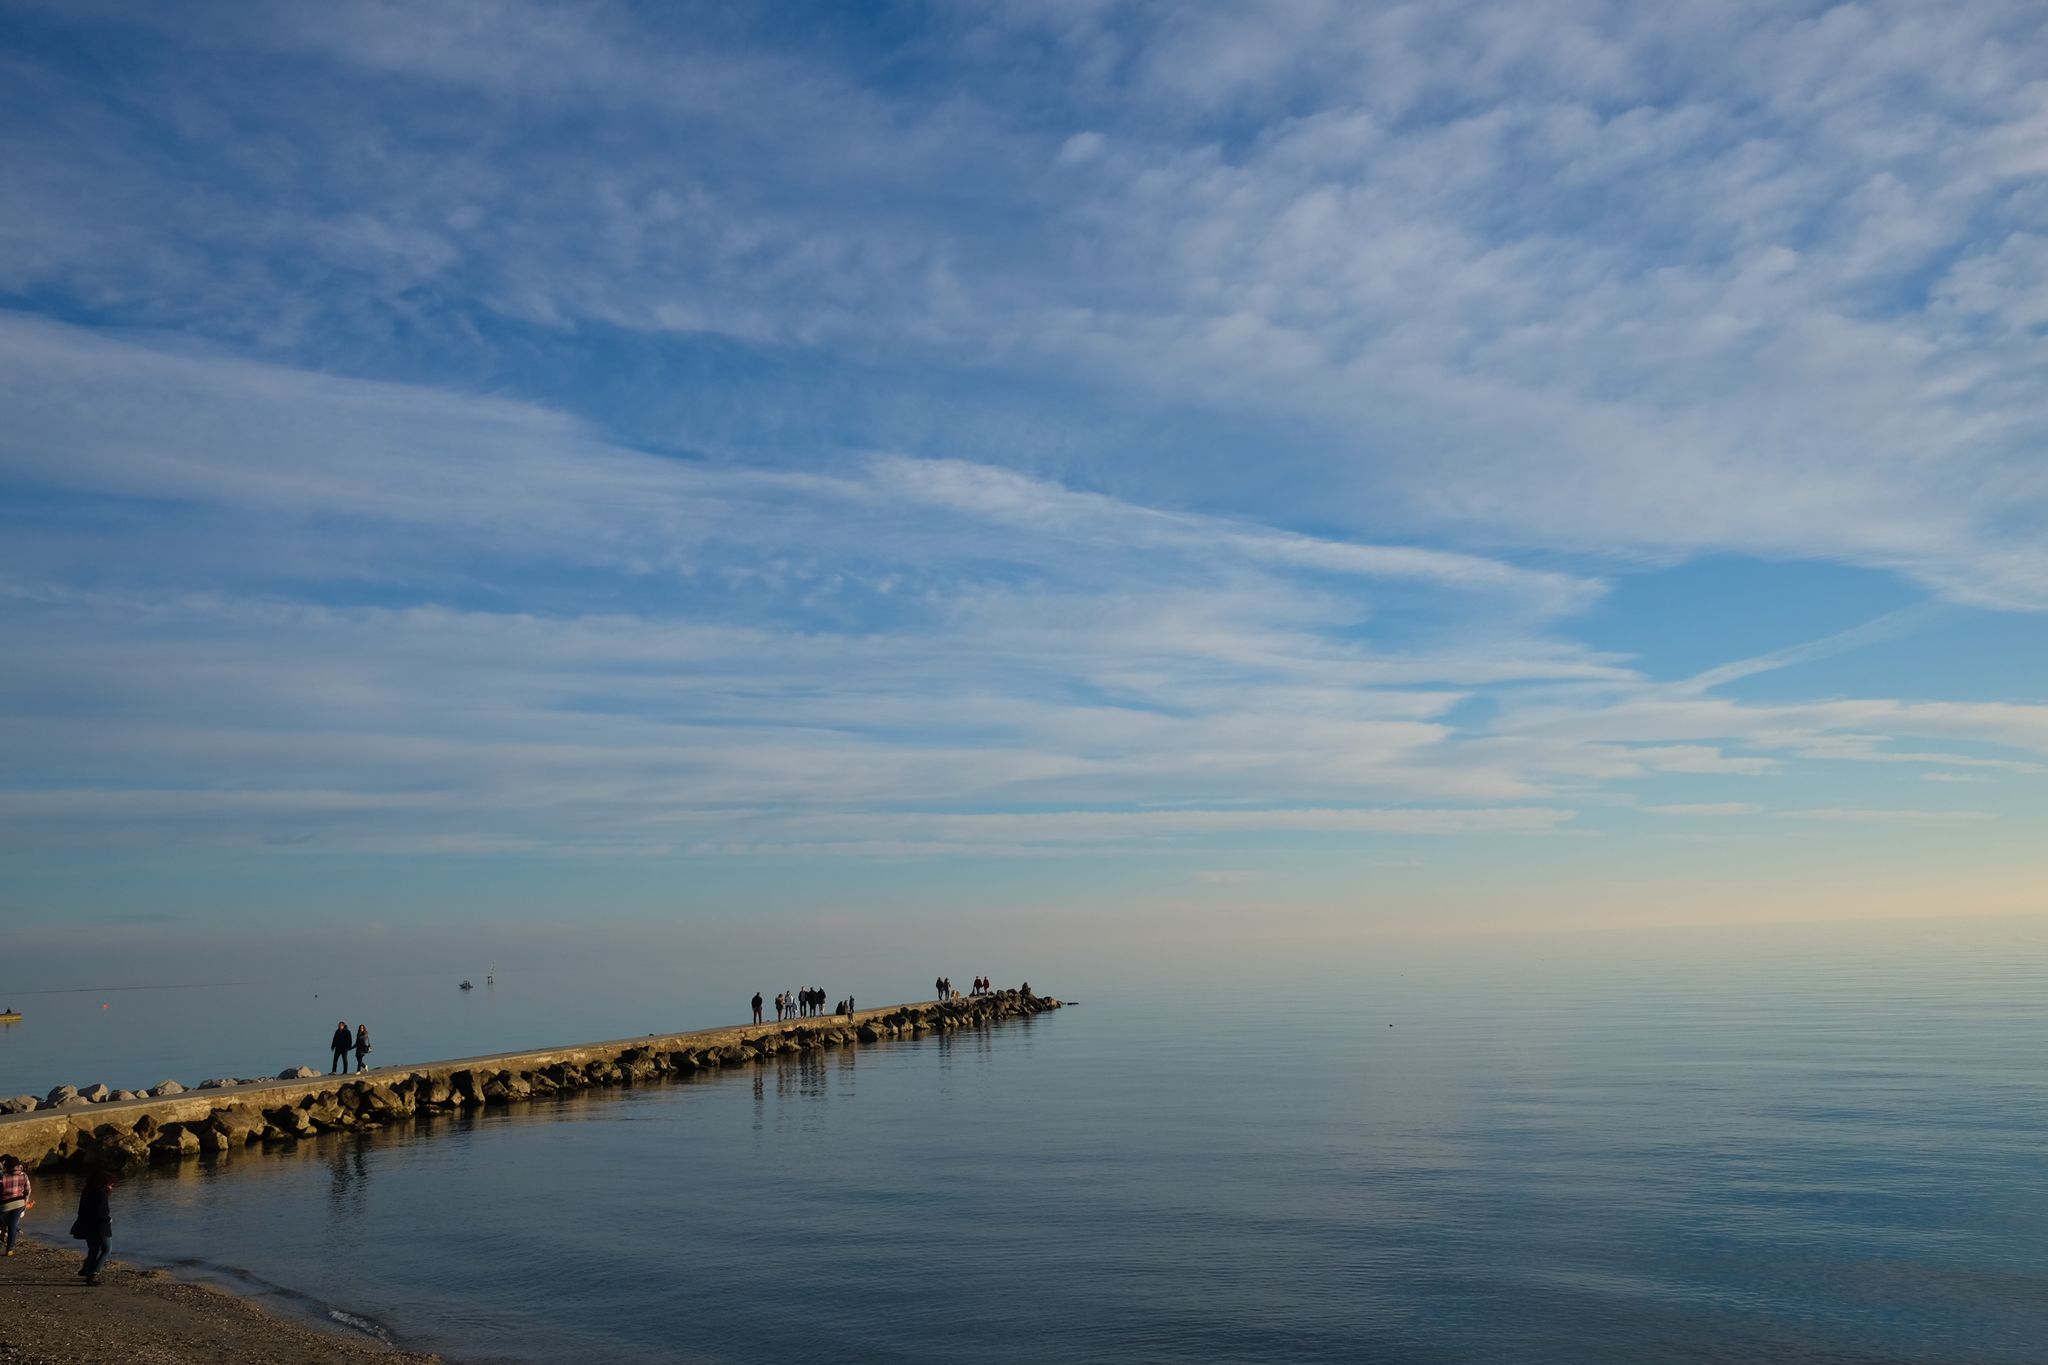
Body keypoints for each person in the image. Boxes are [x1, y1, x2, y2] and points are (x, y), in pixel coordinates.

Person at [72, 1168, 114, 1285]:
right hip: (100, 1226)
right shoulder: (102, 1193)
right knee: (107, 1249)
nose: (112, 1186)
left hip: (86, 1224)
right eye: (110, 1183)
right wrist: (108, 1219)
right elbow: (100, 1213)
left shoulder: (87, 1190)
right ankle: (93, 1273)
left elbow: (81, 1210)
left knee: (93, 1249)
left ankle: (86, 1269)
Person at [0, 1155, 30, 1256]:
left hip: (5, 1205)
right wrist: (25, 1203)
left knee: (6, 1222)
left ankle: (3, 1235)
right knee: (12, 1225)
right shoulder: (24, 1175)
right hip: (19, 1203)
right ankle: (9, 1249)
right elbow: (28, 1191)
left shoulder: (2, 1177)